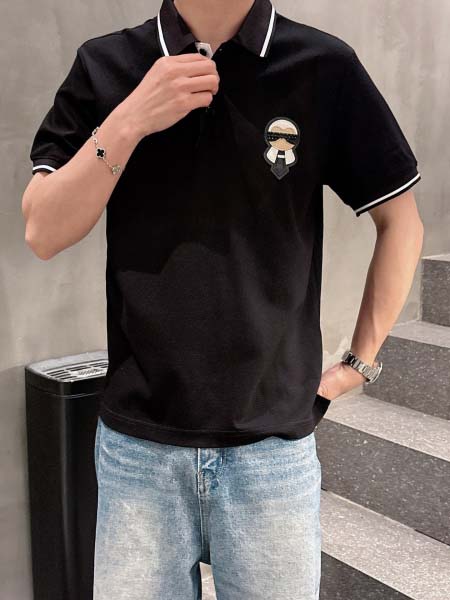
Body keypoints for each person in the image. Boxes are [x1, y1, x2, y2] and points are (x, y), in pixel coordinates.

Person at [22, 0, 424, 598]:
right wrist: (129, 119)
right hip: (138, 452)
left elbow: (401, 221)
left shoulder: (321, 65)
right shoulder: (107, 64)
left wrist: (358, 364)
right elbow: (43, 231)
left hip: (271, 452)